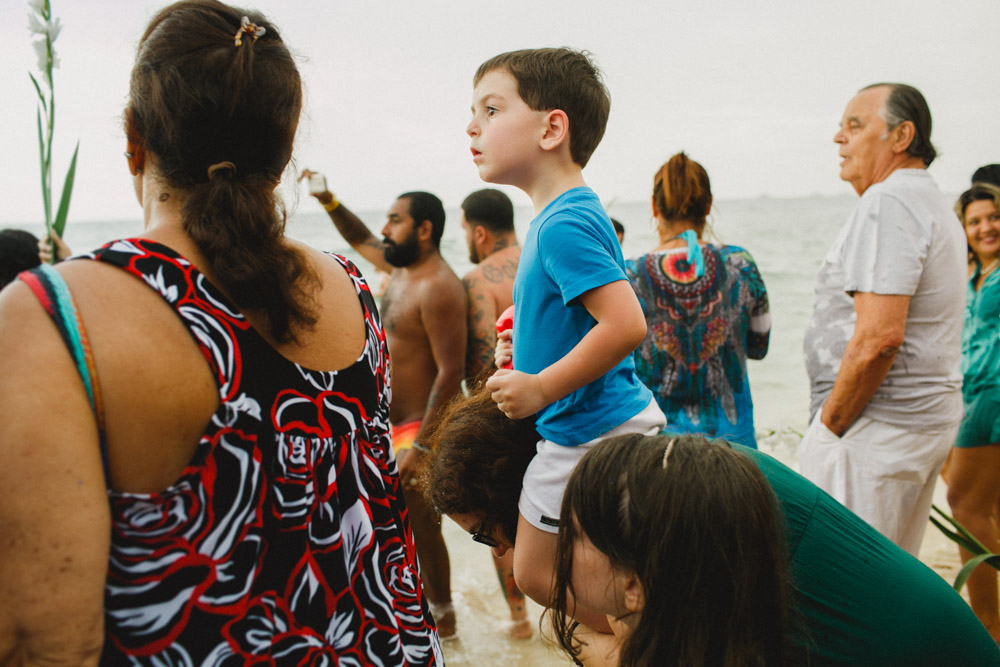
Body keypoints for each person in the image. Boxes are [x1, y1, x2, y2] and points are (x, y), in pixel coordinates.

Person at [0, 1, 442, 663]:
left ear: (134, 136)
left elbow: (41, 640)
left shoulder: (54, 318)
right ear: (287, 145)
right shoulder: (350, 286)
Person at [423, 388, 1000, 666]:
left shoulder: (671, 517)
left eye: (485, 533)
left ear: (536, 494)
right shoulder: (674, 466)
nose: (498, 550)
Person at [467, 47, 666, 631]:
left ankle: (638, 643)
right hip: (596, 423)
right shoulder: (561, 215)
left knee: (532, 571)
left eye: (492, 109)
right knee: (601, 568)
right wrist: (521, 351)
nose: (472, 125)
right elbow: (576, 317)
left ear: (553, 128)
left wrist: (539, 387)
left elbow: (626, 324)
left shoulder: (562, 224)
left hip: (590, 431)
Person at [799, 83, 966, 556]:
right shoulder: (929, 201)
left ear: (901, 136)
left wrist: (827, 431)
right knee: (888, 577)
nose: (839, 138)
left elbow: (879, 338)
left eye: (855, 125)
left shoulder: (889, 201)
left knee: (842, 586)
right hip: (911, 427)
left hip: (877, 434)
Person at [300, 172, 467, 638]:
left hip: (417, 428)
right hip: (384, 424)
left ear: (424, 229)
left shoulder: (438, 286)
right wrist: (328, 198)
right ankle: (415, 611)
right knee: (393, 524)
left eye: (396, 220)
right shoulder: (401, 270)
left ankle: (446, 622)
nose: (386, 229)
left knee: (423, 526)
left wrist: (426, 447)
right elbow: (358, 236)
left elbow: (451, 371)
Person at [626, 152, 770, 448]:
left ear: (655, 206)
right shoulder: (740, 263)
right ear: (708, 205)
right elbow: (759, 346)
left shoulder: (629, 275)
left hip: (657, 450)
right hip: (735, 449)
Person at [456, 187, 532, 638]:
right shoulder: (540, 259)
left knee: (500, 521)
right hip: (555, 402)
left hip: (503, 413)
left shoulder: (476, 281)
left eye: (466, 230)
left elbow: (484, 364)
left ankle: (520, 622)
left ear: (479, 232)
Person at [945, 182, 1000, 644]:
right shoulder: (972, 273)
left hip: (992, 396)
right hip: (968, 394)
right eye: (975, 220)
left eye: (993, 216)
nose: (986, 227)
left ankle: (988, 625)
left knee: (964, 505)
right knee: (984, 505)